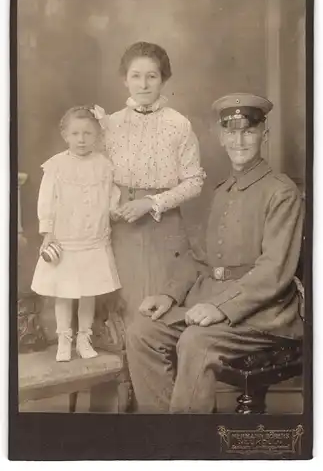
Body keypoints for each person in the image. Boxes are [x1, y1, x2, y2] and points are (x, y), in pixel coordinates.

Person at [126, 93, 304, 413]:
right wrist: (169, 294)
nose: (240, 140)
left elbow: (275, 270)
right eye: (232, 132)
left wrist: (220, 307)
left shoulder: (281, 191)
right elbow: (200, 259)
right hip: (211, 304)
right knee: (143, 331)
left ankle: (190, 446)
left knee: (197, 341)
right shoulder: (222, 191)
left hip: (264, 316)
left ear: (264, 135)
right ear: (222, 137)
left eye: (248, 131)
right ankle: (170, 434)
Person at [102, 41, 205, 325]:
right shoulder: (109, 125)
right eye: (136, 76)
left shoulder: (178, 124)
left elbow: (194, 181)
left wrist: (150, 203)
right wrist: (113, 206)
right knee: (122, 311)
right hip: (121, 226)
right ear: (125, 79)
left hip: (164, 228)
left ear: (164, 79)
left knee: (158, 315)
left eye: (152, 76)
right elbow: (97, 175)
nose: (144, 84)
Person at [31, 106, 121, 362]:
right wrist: (47, 231)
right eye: (75, 133)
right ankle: (64, 338)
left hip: (93, 240)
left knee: (88, 292)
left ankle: (84, 336)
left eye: (88, 134)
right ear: (65, 135)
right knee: (64, 292)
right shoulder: (56, 166)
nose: (81, 139)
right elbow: (46, 200)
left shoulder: (104, 165)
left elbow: (111, 196)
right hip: (66, 240)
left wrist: (115, 210)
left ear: (97, 136)